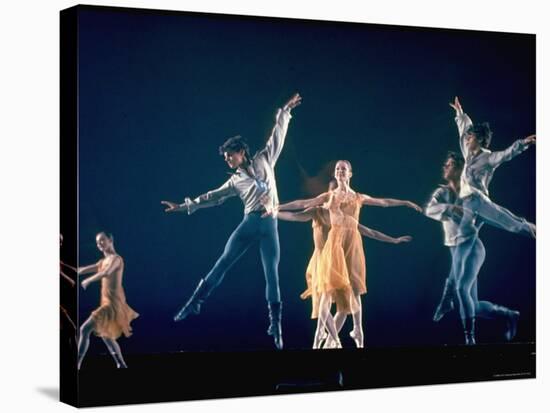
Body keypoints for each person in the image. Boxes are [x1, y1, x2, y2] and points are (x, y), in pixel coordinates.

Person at [161, 93, 302, 350]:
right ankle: (194, 302)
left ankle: (276, 325)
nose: (227, 159)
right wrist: (183, 206)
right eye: (225, 157)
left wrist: (285, 111)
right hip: (249, 223)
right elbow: (211, 197)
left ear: (240, 152)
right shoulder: (235, 180)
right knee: (223, 262)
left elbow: (277, 136)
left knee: (272, 275)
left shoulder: (263, 159)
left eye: (229, 155)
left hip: (269, 225)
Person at [275, 160, 422, 348]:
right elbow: (303, 203)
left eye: (343, 169)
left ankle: (352, 333)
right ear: (335, 174)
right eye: (337, 169)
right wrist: (277, 207)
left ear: (350, 174)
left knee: (353, 287)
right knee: (328, 289)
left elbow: (383, 203)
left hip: (353, 245)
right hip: (335, 244)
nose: (340, 171)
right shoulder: (328, 197)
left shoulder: (358, 198)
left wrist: (405, 203)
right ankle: (323, 334)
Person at [425, 152, 520, 345]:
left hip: (472, 248)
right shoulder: (441, 193)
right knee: (473, 306)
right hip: (456, 251)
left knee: (461, 289)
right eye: (446, 163)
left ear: (460, 170)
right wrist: (450, 209)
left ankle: (470, 339)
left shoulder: (472, 196)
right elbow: (429, 210)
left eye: (450, 164)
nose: (445, 167)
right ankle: (508, 314)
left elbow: (492, 216)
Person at [449, 96, 536, 239]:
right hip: (467, 204)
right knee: (464, 238)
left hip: (478, 201)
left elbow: (507, 154)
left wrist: (524, 143)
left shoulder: (489, 158)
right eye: (468, 137)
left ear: (480, 140)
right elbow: (464, 129)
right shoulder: (468, 152)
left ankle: (533, 229)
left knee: (513, 224)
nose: (467, 139)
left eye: (471, 137)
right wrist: (460, 112)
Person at [77, 232, 139, 369]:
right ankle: (121, 364)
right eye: (98, 242)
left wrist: (88, 280)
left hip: (112, 304)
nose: (99, 244)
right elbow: (80, 270)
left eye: (102, 240)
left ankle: (77, 364)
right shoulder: (102, 262)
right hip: (107, 303)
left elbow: (106, 272)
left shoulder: (116, 259)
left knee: (84, 329)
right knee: (106, 335)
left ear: (110, 240)